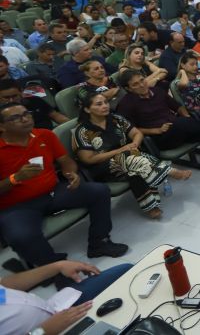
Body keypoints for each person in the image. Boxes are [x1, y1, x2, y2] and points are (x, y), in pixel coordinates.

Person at [0, 102, 129, 267]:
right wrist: (15, 178)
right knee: (21, 236)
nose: (25, 119)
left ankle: (99, 243)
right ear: (2, 126)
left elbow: (65, 161)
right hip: (18, 206)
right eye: (16, 118)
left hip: (53, 192)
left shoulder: (45, 135)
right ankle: (53, 268)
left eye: (27, 114)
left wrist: (71, 174)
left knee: (99, 191)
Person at [75, 92, 191, 219]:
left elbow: (137, 133)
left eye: (106, 102)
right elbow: (88, 159)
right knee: (130, 158)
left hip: (130, 158)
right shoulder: (82, 131)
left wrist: (134, 144)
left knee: (133, 169)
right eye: (99, 104)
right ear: (87, 109)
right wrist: (120, 150)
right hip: (103, 167)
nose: (105, 106)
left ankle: (152, 207)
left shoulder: (116, 118)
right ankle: (169, 171)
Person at [116, 71, 200, 190]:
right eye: (135, 84)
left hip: (180, 130)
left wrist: (187, 118)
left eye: (142, 80)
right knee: (183, 123)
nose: (142, 85)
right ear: (128, 88)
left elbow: (178, 107)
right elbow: (131, 131)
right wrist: (156, 130)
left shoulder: (157, 91)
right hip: (161, 138)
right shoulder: (126, 104)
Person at [0, 260, 133, 334]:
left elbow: (5, 285)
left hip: (58, 307)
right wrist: (42, 331)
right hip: (49, 330)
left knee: (127, 271)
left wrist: (58, 266)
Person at [0, 80, 68, 129]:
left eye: (15, 96)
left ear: (21, 92)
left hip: (50, 134)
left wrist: (71, 126)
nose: (11, 100)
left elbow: (56, 116)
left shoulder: (35, 100)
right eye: (6, 98)